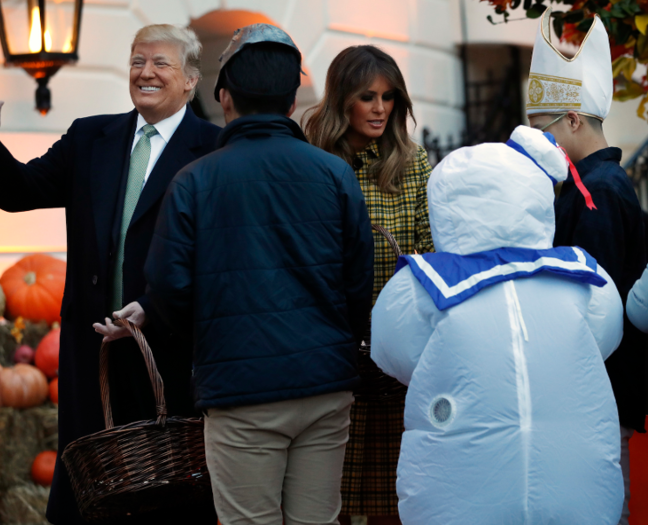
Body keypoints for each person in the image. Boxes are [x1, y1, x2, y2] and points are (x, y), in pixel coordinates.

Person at [0, 24, 220, 524]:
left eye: (162, 63)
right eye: (138, 61)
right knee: (89, 500)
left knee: (168, 503)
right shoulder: (91, 135)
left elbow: (218, 259)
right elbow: (22, 190)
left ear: (190, 80)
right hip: (91, 348)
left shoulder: (214, 149)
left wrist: (155, 310)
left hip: (170, 351)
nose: (146, 72)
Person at [144, 24, 374, 525]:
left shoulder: (194, 181)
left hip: (240, 388)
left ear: (223, 97)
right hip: (324, 384)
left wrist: (212, 338)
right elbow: (360, 279)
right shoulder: (334, 174)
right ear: (292, 103)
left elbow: (165, 287)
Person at [371, 125, 625, 525]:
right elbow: (605, 337)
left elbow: (392, 352)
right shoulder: (583, 278)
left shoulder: (421, 286)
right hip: (577, 487)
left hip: (459, 492)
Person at [302, 45, 434, 525]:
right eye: (367, 97)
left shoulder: (412, 162)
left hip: (391, 356)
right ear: (341, 100)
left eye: (389, 97)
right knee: (320, 496)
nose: (380, 108)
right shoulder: (309, 157)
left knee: (391, 497)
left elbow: (429, 250)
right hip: (326, 348)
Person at [525, 9, 647, 524]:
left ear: (572, 119)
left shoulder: (593, 191)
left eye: (542, 128)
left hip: (597, 391)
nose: (538, 141)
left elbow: (587, 303)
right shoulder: (608, 182)